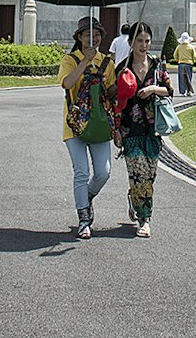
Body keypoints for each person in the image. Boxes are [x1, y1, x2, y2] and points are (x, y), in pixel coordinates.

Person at [56, 16, 117, 239]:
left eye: (97, 33)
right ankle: (83, 219)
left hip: (99, 123)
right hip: (75, 123)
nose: (93, 37)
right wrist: (84, 63)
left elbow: (111, 94)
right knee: (81, 172)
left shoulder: (107, 62)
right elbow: (67, 83)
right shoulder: (70, 59)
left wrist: (121, 80)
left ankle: (87, 197)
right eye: (88, 34)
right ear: (79, 38)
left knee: (103, 172)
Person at [116, 21, 173, 238]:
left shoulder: (157, 66)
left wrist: (152, 89)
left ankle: (135, 199)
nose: (144, 45)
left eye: (147, 41)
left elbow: (169, 90)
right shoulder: (122, 68)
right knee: (139, 175)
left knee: (150, 176)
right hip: (130, 130)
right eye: (139, 41)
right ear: (130, 42)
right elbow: (115, 102)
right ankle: (145, 219)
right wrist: (117, 130)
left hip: (152, 130)